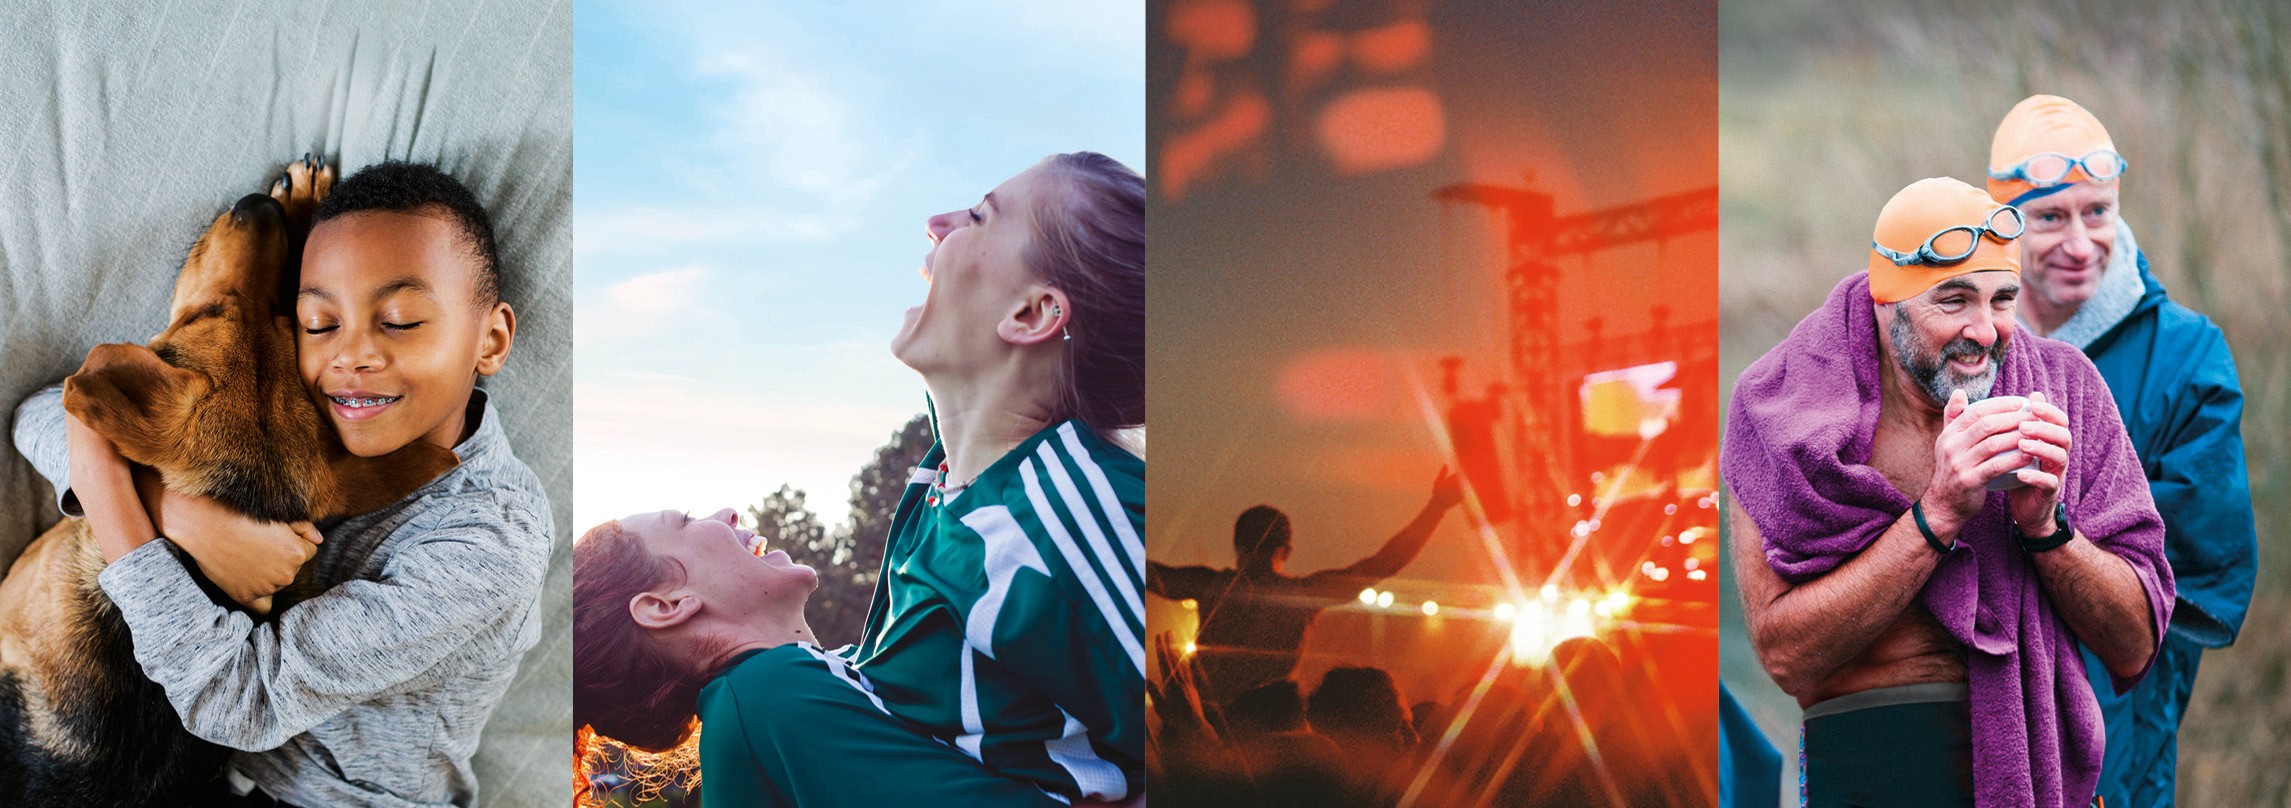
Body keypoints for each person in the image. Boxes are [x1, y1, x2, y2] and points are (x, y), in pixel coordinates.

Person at [573, 152, 1148, 805]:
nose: (936, 221)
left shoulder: (1059, 516)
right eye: (683, 522)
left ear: (1030, 315)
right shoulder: (953, 496)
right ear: (664, 606)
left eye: (980, 217)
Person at [12, 159, 552, 807]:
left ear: (490, 339)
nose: (352, 354)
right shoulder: (301, 403)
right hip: (199, 771)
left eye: (402, 320)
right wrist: (178, 513)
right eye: (317, 324)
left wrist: (111, 488)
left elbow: (241, 700)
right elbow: (48, 414)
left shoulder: (492, 539)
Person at [1722, 177, 2172, 807]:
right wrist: (1935, 517)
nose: (1985, 330)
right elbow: (1786, 657)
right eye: (1955, 300)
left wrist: (2048, 530)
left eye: (2003, 299)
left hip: (2041, 773)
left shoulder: (2067, 393)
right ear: (1887, 297)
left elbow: (2136, 645)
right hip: (1864, 774)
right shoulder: (1779, 409)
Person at [1985, 94, 2259, 808]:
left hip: (2115, 742)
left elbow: (2205, 576)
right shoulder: (1957, 344)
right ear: (2001, 221)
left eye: (2097, 212)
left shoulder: (2187, 358)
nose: (2080, 243)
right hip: (1967, 737)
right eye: (2049, 216)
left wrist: (2046, 523)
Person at [571, 509, 1069, 807]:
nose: (727, 514)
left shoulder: (770, 696)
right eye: (684, 521)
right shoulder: (769, 692)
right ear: (666, 607)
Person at [1146, 469, 1464, 707]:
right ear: (1286, 551)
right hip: (1272, 729)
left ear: (1237, 545)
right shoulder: (1302, 597)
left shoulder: (1209, 586)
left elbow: (1147, 572)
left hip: (1207, 727)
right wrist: (1437, 507)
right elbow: (1382, 564)